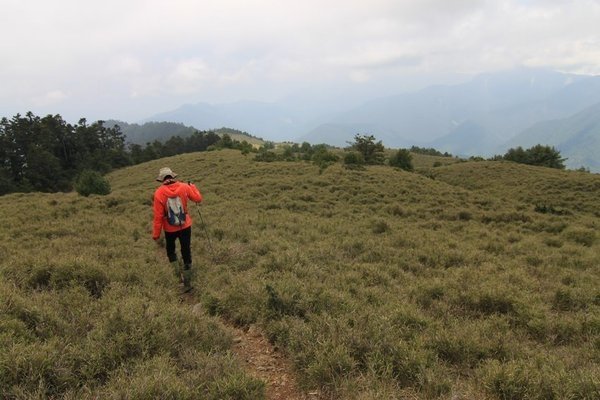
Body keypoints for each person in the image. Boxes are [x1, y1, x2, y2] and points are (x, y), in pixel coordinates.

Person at [152, 167, 203, 292]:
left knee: (171, 251)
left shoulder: (158, 193)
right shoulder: (185, 187)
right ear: (172, 176)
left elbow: (158, 216)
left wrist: (156, 234)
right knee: (186, 251)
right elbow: (198, 199)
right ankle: (187, 284)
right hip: (185, 225)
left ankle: (177, 278)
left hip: (169, 228)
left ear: (162, 179)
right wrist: (193, 187)